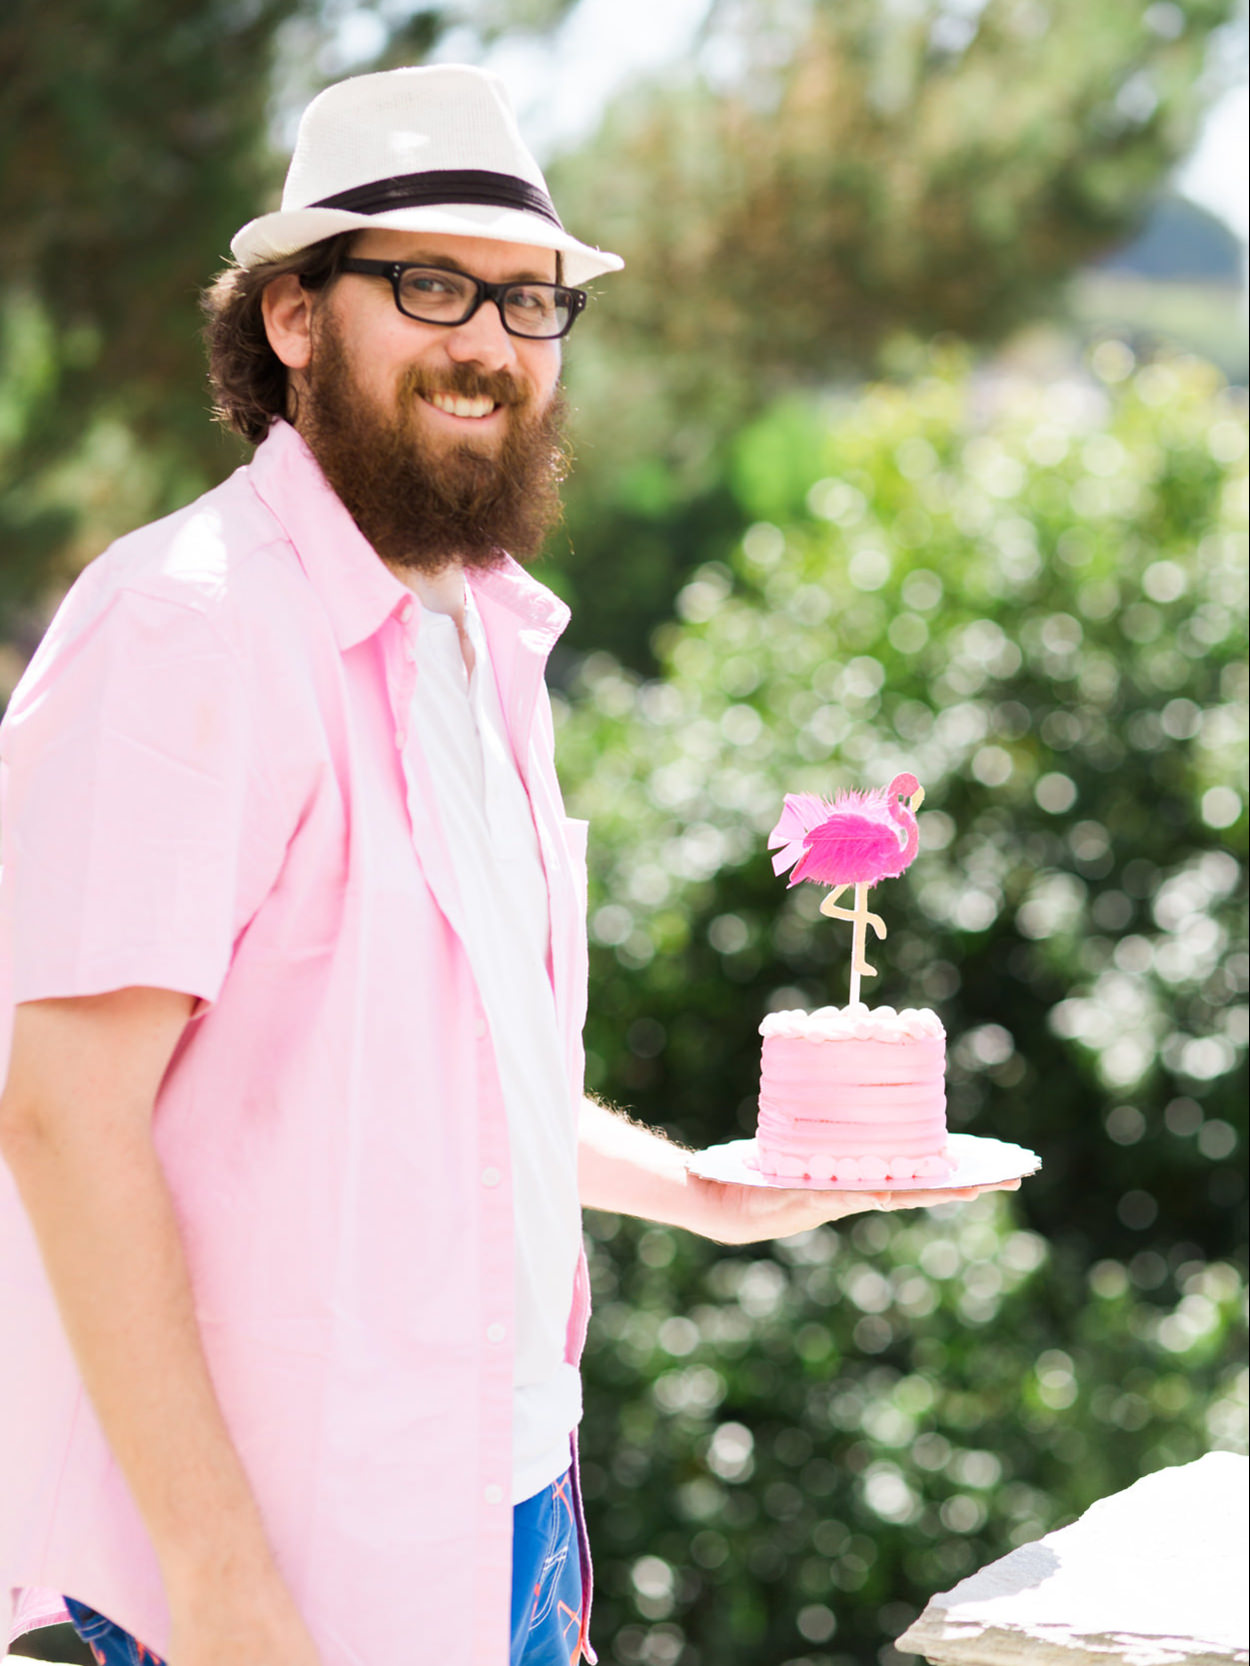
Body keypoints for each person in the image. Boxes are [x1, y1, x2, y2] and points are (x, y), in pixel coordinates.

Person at [0, 65, 1013, 1666]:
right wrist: (221, 1585)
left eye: (531, 299)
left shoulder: (480, 630)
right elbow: (59, 1113)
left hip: (509, 1502)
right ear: (291, 319)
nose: (488, 339)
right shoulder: (188, 624)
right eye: (430, 284)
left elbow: (445, 1087)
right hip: (284, 1553)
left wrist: (689, 1187)